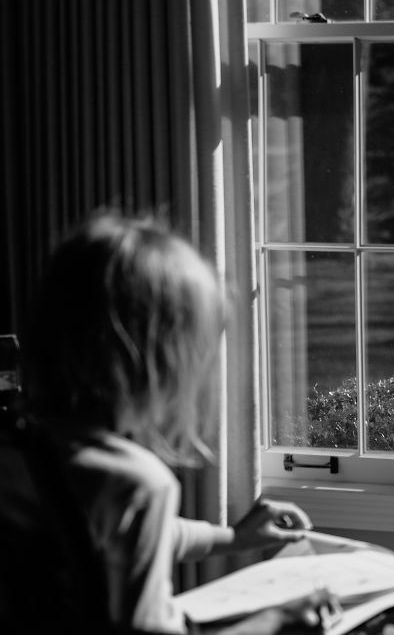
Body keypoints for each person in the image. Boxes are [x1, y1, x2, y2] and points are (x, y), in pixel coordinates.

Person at [15, 213, 338, 634]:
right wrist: (276, 621)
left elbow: (135, 534)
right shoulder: (135, 483)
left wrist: (234, 539)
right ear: (160, 364)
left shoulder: (21, 448)